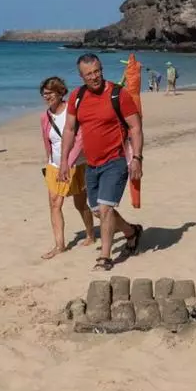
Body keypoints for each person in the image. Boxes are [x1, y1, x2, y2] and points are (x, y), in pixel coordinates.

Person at [56, 54, 144, 272]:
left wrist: (137, 158)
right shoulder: (77, 97)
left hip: (115, 161)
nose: (94, 77)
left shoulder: (118, 94)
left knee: (105, 209)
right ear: (81, 76)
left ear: (102, 69)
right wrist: (64, 161)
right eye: (89, 74)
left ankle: (105, 257)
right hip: (91, 164)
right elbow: (69, 129)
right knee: (97, 210)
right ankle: (131, 231)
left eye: (97, 71)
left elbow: (135, 127)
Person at [39, 77, 96, 259]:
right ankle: (59, 245)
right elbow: (47, 142)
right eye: (44, 94)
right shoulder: (45, 117)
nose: (47, 97)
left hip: (76, 165)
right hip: (54, 166)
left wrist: (68, 163)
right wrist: (50, 162)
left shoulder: (72, 112)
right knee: (55, 204)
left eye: (50, 93)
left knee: (80, 204)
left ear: (60, 92)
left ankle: (90, 234)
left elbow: (80, 139)